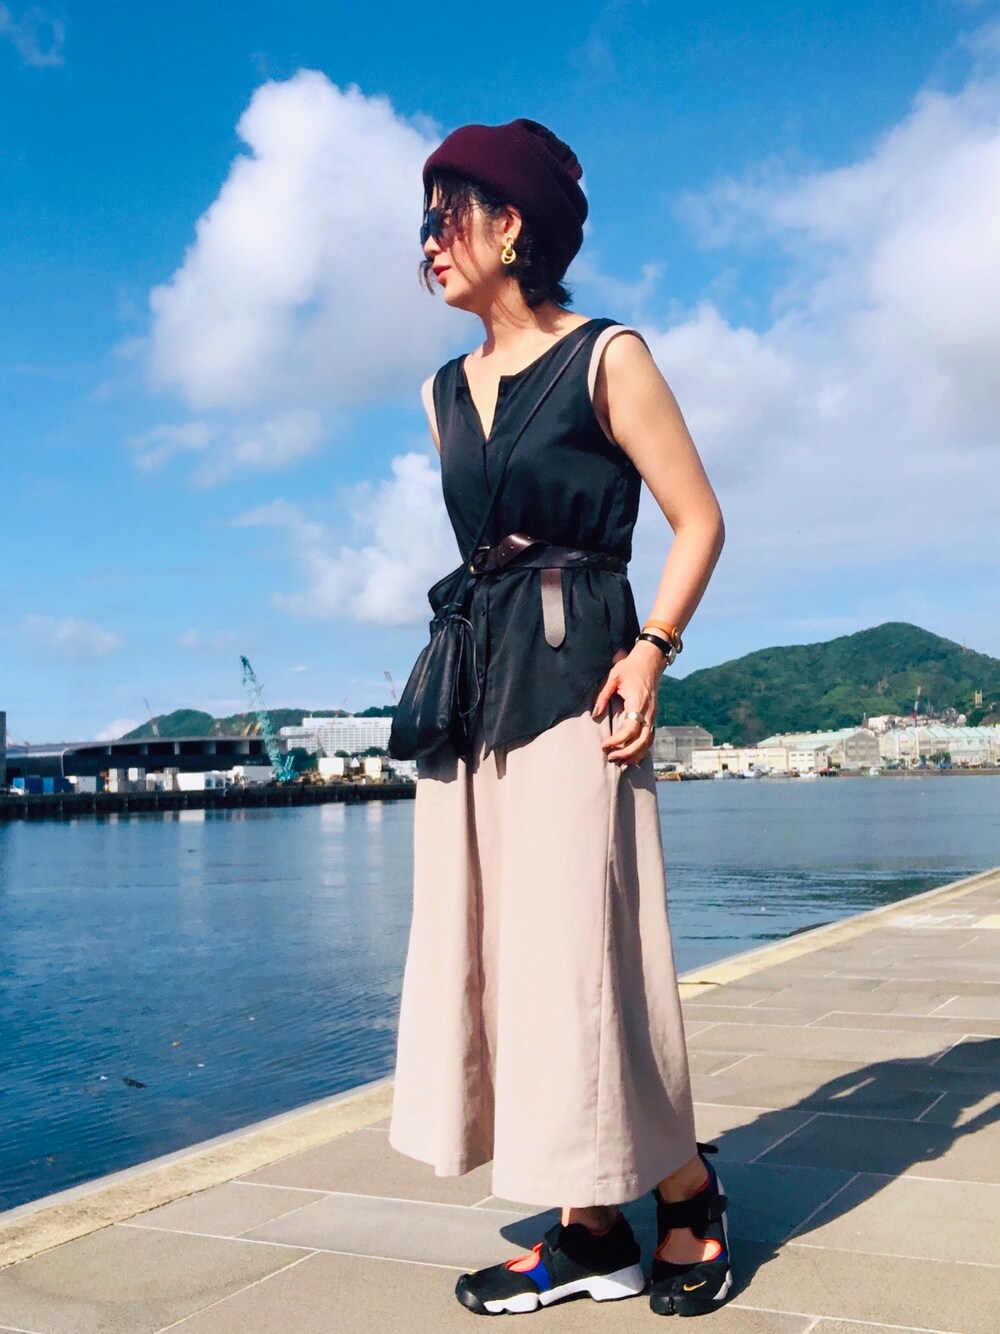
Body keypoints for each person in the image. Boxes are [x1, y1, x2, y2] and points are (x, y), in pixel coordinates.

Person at [387, 117, 730, 1319]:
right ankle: (591, 1229)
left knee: (586, 959)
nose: (428, 240)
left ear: (511, 223)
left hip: (580, 681)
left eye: (447, 214)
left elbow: (698, 518)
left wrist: (652, 651)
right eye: (424, 219)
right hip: (470, 695)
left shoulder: (606, 357)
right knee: (506, 964)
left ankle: (686, 1190)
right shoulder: (440, 392)